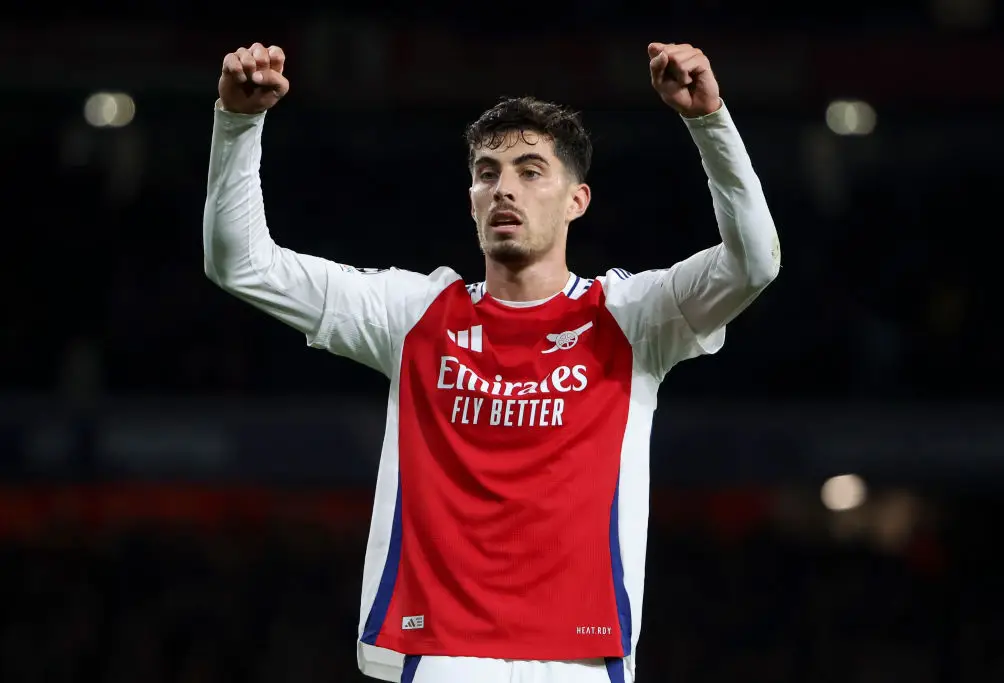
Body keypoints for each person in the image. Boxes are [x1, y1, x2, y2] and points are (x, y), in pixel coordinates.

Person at [204, 40, 780, 683]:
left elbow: (754, 262)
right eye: (487, 173)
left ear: (576, 200)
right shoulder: (412, 314)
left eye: (531, 171)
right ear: (472, 199)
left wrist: (709, 122)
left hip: (580, 662)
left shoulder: (633, 317)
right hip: (435, 657)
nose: (504, 188)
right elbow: (242, 265)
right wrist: (237, 123)